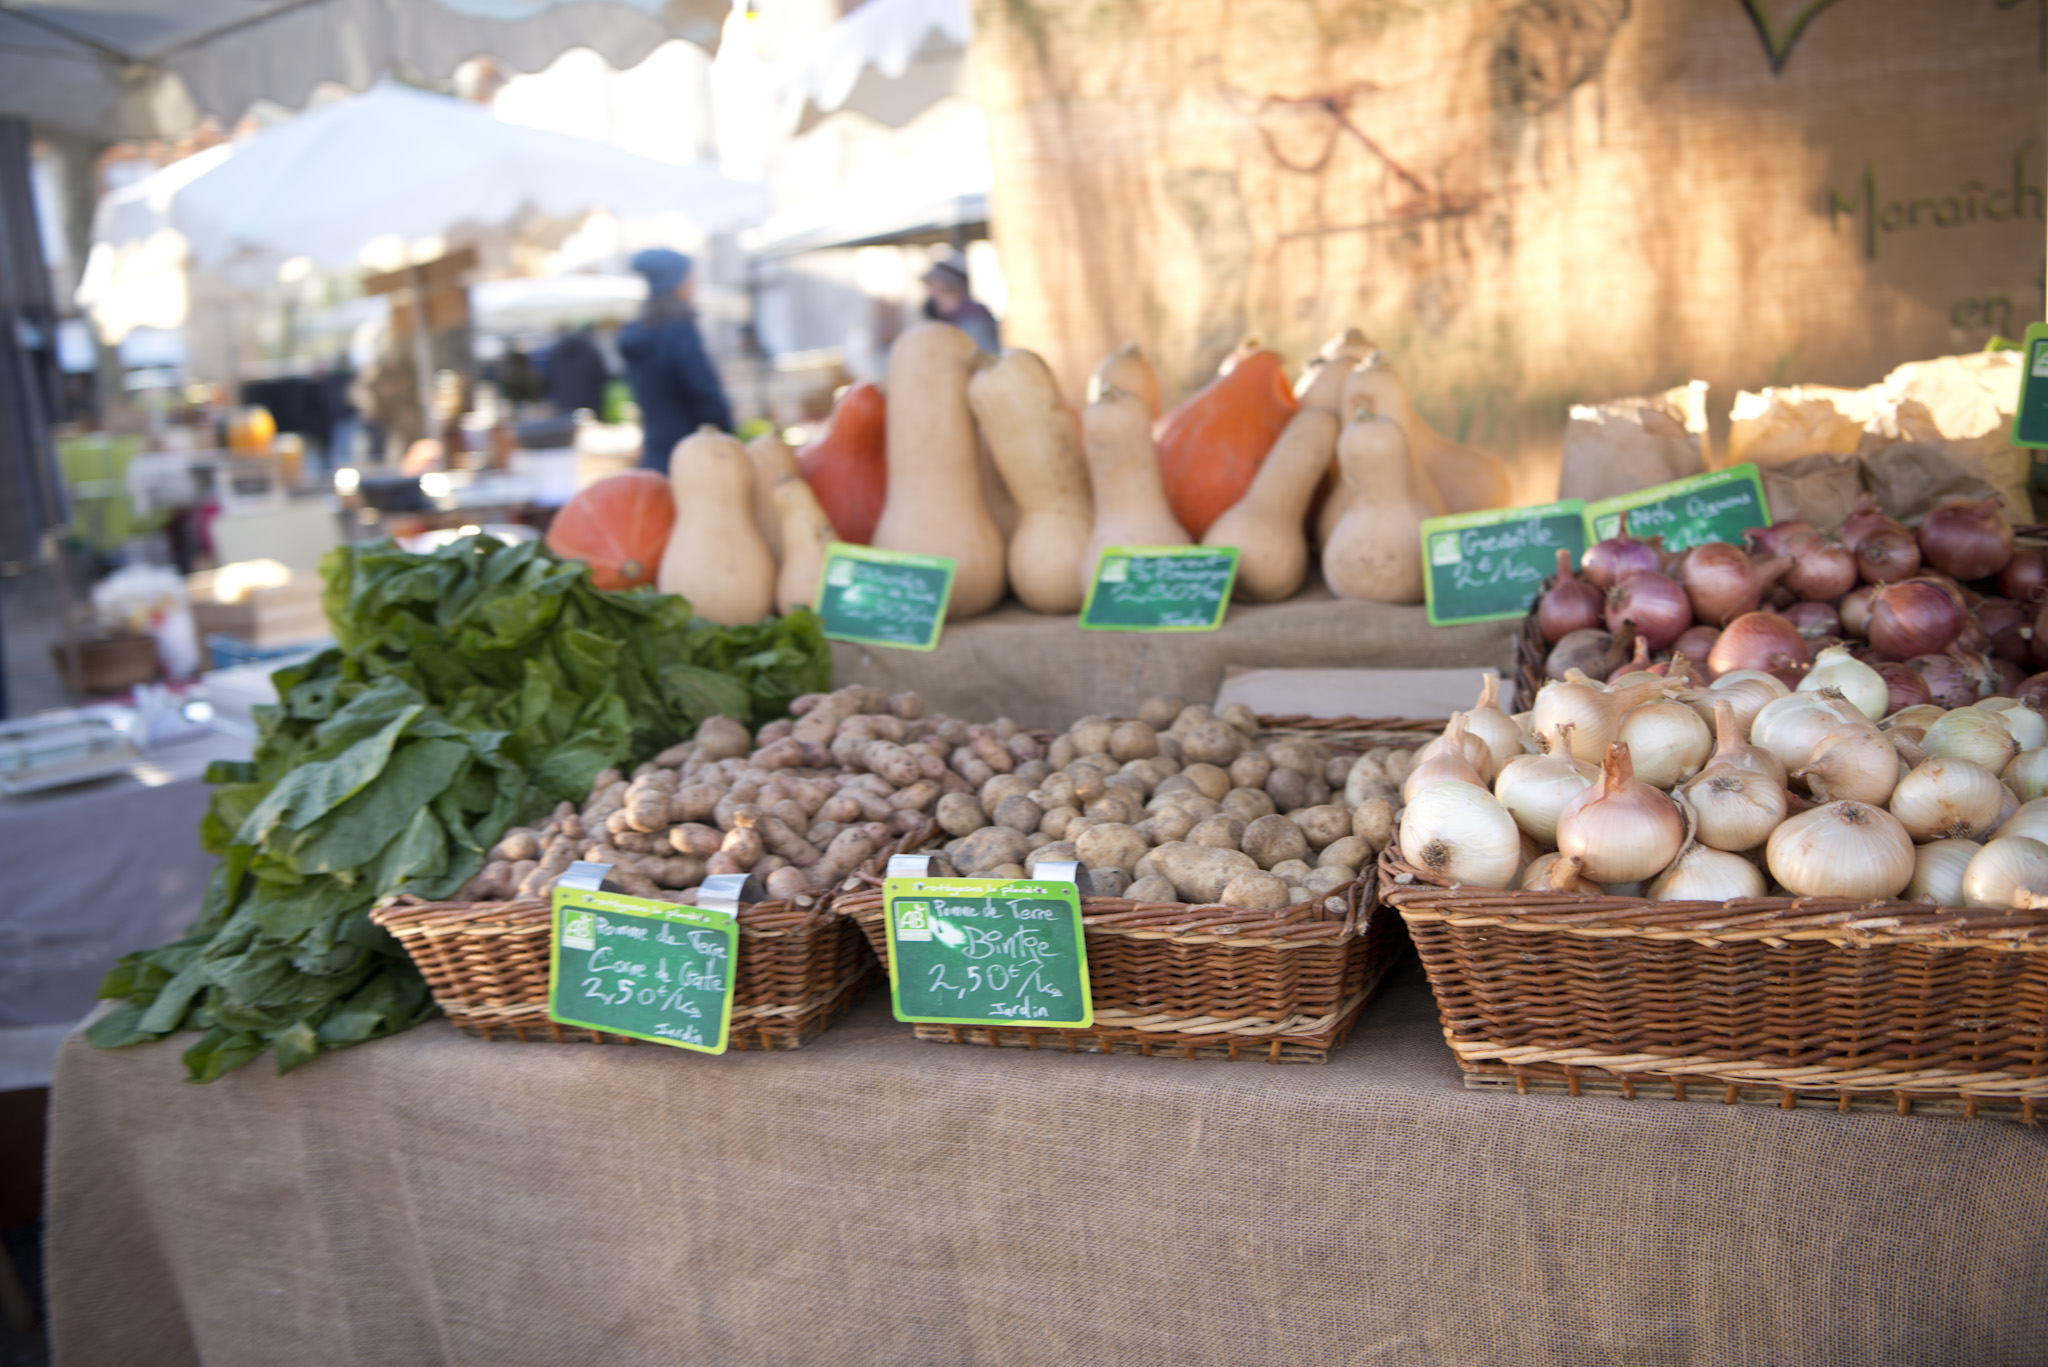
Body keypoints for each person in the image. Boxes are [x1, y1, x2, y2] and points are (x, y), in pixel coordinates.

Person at [621, 248, 733, 472]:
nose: (694, 283)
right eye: (690, 277)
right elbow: (705, 395)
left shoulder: (638, 332)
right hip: (693, 458)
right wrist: (728, 440)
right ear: (675, 282)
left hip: (656, 453)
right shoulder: (679, 331)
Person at [920, 251, 1000, 354]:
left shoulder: (974, 321)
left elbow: (987, 359)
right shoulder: (939, 317)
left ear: (947, 284)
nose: (930, 290)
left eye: (933, 284)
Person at [543, 323, 610, 416]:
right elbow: (601, 377)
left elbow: (549, 380)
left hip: (564, 406)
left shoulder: (556, 353)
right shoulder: (590, 351)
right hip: (591, 404)